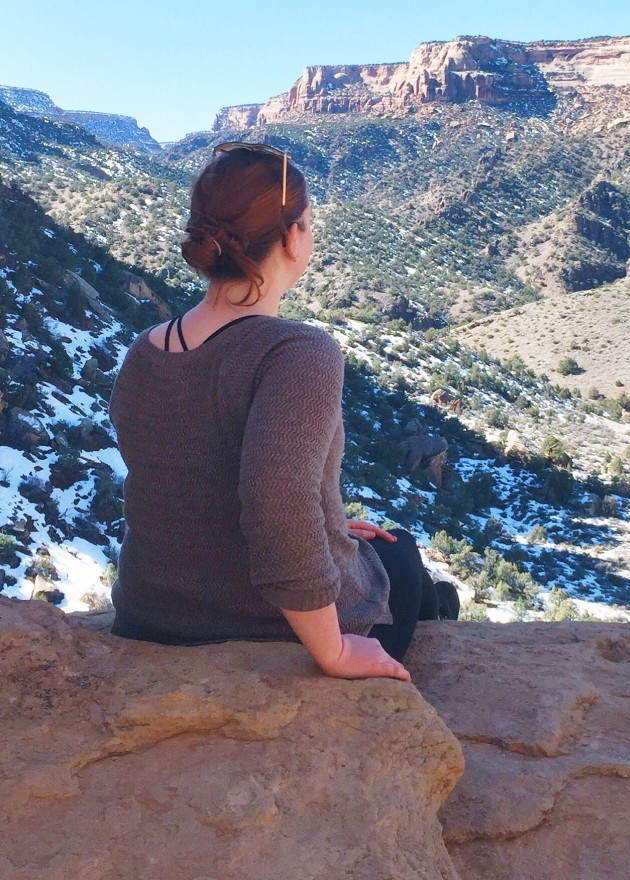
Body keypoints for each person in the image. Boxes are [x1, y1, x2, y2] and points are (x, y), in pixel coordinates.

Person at [109, 142, 456, 681]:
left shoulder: (145, 350)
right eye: (310, 223)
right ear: (293, 235)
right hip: (260, 624)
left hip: (147, 614)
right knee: (403, 556)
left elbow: (190, 477)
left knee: (373, 547)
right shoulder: (297, 351)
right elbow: (276, 503)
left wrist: (328, 524)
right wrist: (335, 653)